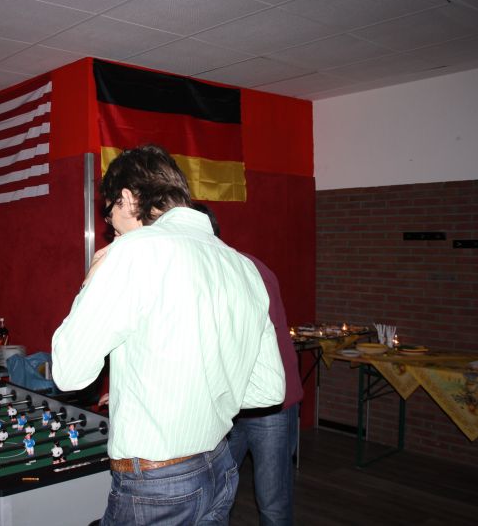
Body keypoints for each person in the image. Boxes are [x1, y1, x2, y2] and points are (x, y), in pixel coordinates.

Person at [52, 145, 285, 526]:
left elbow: (69, 372)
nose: (111, 227)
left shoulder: (132, 252)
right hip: (219, 467)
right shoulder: (243, 265)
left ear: (128, 198)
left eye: (110, 213)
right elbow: (268, 391)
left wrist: (90, 281)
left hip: (157, 484)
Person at [195, 202, 303, 526]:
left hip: (270, 406)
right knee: (216, 497)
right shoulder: (206, 273)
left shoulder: (244, 270)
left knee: (272, 503)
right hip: (231, 404)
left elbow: (234, 342)